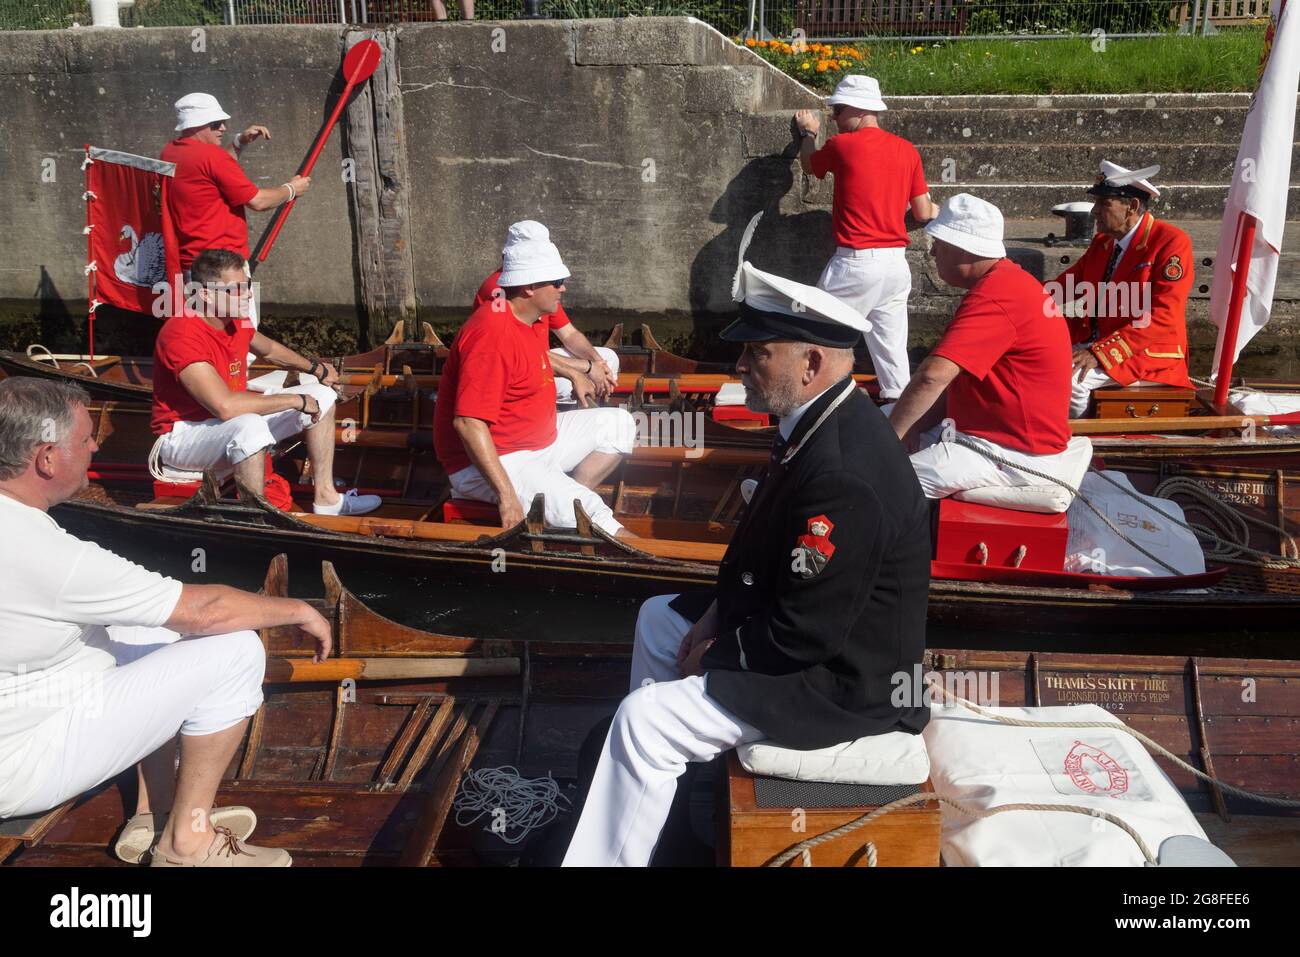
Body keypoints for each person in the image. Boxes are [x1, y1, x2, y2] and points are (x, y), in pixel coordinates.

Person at [563, 258, 931, 867]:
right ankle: (667, 812)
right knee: (661, 618)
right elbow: (764, 559)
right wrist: (712, 617)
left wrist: (718, 652)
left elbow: (805, 632)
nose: (739, 365)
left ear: (811, 364)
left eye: (757, 353)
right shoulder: (817, 417)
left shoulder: (843, 473)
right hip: (812, 639)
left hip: (846, 684)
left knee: (643, 721)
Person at [0, 377, 334, 867]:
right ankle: (187, 846)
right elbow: (205, 611)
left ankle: (153, 812)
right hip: (20, 762)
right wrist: (300, 610)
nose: (95, 445)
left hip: (28, 702)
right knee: (236, 651)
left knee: (147, 627)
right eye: (85, 438)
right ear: (47, 459)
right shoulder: (48, 554)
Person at [150, 248, 381, 516]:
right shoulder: (182, 335)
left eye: (247, 286)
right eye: (236, 289)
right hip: (184, 437)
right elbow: (225, 407)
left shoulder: (234, 320)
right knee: (250, 424)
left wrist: (316, 369)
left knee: (322, 396)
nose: (248, 294)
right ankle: (256, 518)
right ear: (205, 294)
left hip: (224, 424)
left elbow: (269, 349)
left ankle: (327, 499)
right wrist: (295, 400)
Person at [434, 232, 636, 536]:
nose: (563, 289)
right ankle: (559, 503)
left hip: (538, 442)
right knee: (590, 509)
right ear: (529, 287)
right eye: (556, 283)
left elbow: (540, 359)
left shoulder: (526, 318)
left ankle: (556, 496)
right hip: (499, 459)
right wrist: (506, 497)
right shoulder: (492, 335)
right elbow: (467, 423)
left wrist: (577, 372)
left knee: (619, 424)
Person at [889, 194, 1075, 499]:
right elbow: (948, 382)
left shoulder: (996, 295)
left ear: (963, 248)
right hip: (998, 436)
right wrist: (911, 425)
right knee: (884, 421)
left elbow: (933, 376)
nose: (933, 252)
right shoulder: (1008, 282)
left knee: (878, 480)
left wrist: (889, 442)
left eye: (939, 243)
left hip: (1011, 453)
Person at [796, 74, 938, 401]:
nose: (833, 117)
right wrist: (937, 209)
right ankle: (899, 421)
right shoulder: (907, 150)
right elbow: (922, 212)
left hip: (856, 263)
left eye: (838, 109)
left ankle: (808, 405)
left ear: (859, 110)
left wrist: (808, 133)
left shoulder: (841, 145)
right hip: (895, 268)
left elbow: (808, 165)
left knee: (811, 335)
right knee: (893, 358)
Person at [1049, 161, 1194, 417]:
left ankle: (1083, 446)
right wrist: (1022, 301)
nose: (1094, 211)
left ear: (1132, 207)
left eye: (1103, 204)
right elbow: (1066, 285)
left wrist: (1100, 353)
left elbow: (1164, 316)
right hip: (1097, 342)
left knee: (1072, 385)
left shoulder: (1170, 242)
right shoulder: (1103, 242)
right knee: (1034, 364)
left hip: (1145, 352)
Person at [161, 92, 310, 337]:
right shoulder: (213, 157)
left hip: (192, 265)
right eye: (215, 124)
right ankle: (239, 374)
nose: (223, 127)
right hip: (226, 265)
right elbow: (258, 201)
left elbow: (211, 172)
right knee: (243, 333)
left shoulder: (171, 152)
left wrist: (239, 143)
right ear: (197, 125)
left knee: (206, 332)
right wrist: (292, 189)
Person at [473, 221, 620, 405]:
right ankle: (576, 408)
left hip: (542, 358)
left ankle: (584, 400)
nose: (561, 287)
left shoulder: (542, 287)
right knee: (574, 384)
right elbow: (522, 353)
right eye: (558, 282)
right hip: (525, 367)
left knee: (610, 358)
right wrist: (587, 368)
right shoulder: (500, 291)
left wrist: (599, 363)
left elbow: (569, 334)